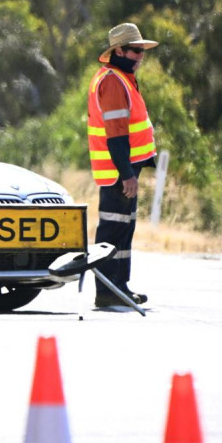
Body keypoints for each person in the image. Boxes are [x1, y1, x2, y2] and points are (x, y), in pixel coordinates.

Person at [87, 22, 158, 309]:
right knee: (113, 230)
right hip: (118, 171)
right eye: (134, 50)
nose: (140, 56)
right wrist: (126, 174)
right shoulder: (114, 81)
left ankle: (119, 287)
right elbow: (116, 133)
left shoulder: (121, 77)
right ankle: (107, 290)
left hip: (123, 168)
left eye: (142, 50)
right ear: (118, 50)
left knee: (123, 229)